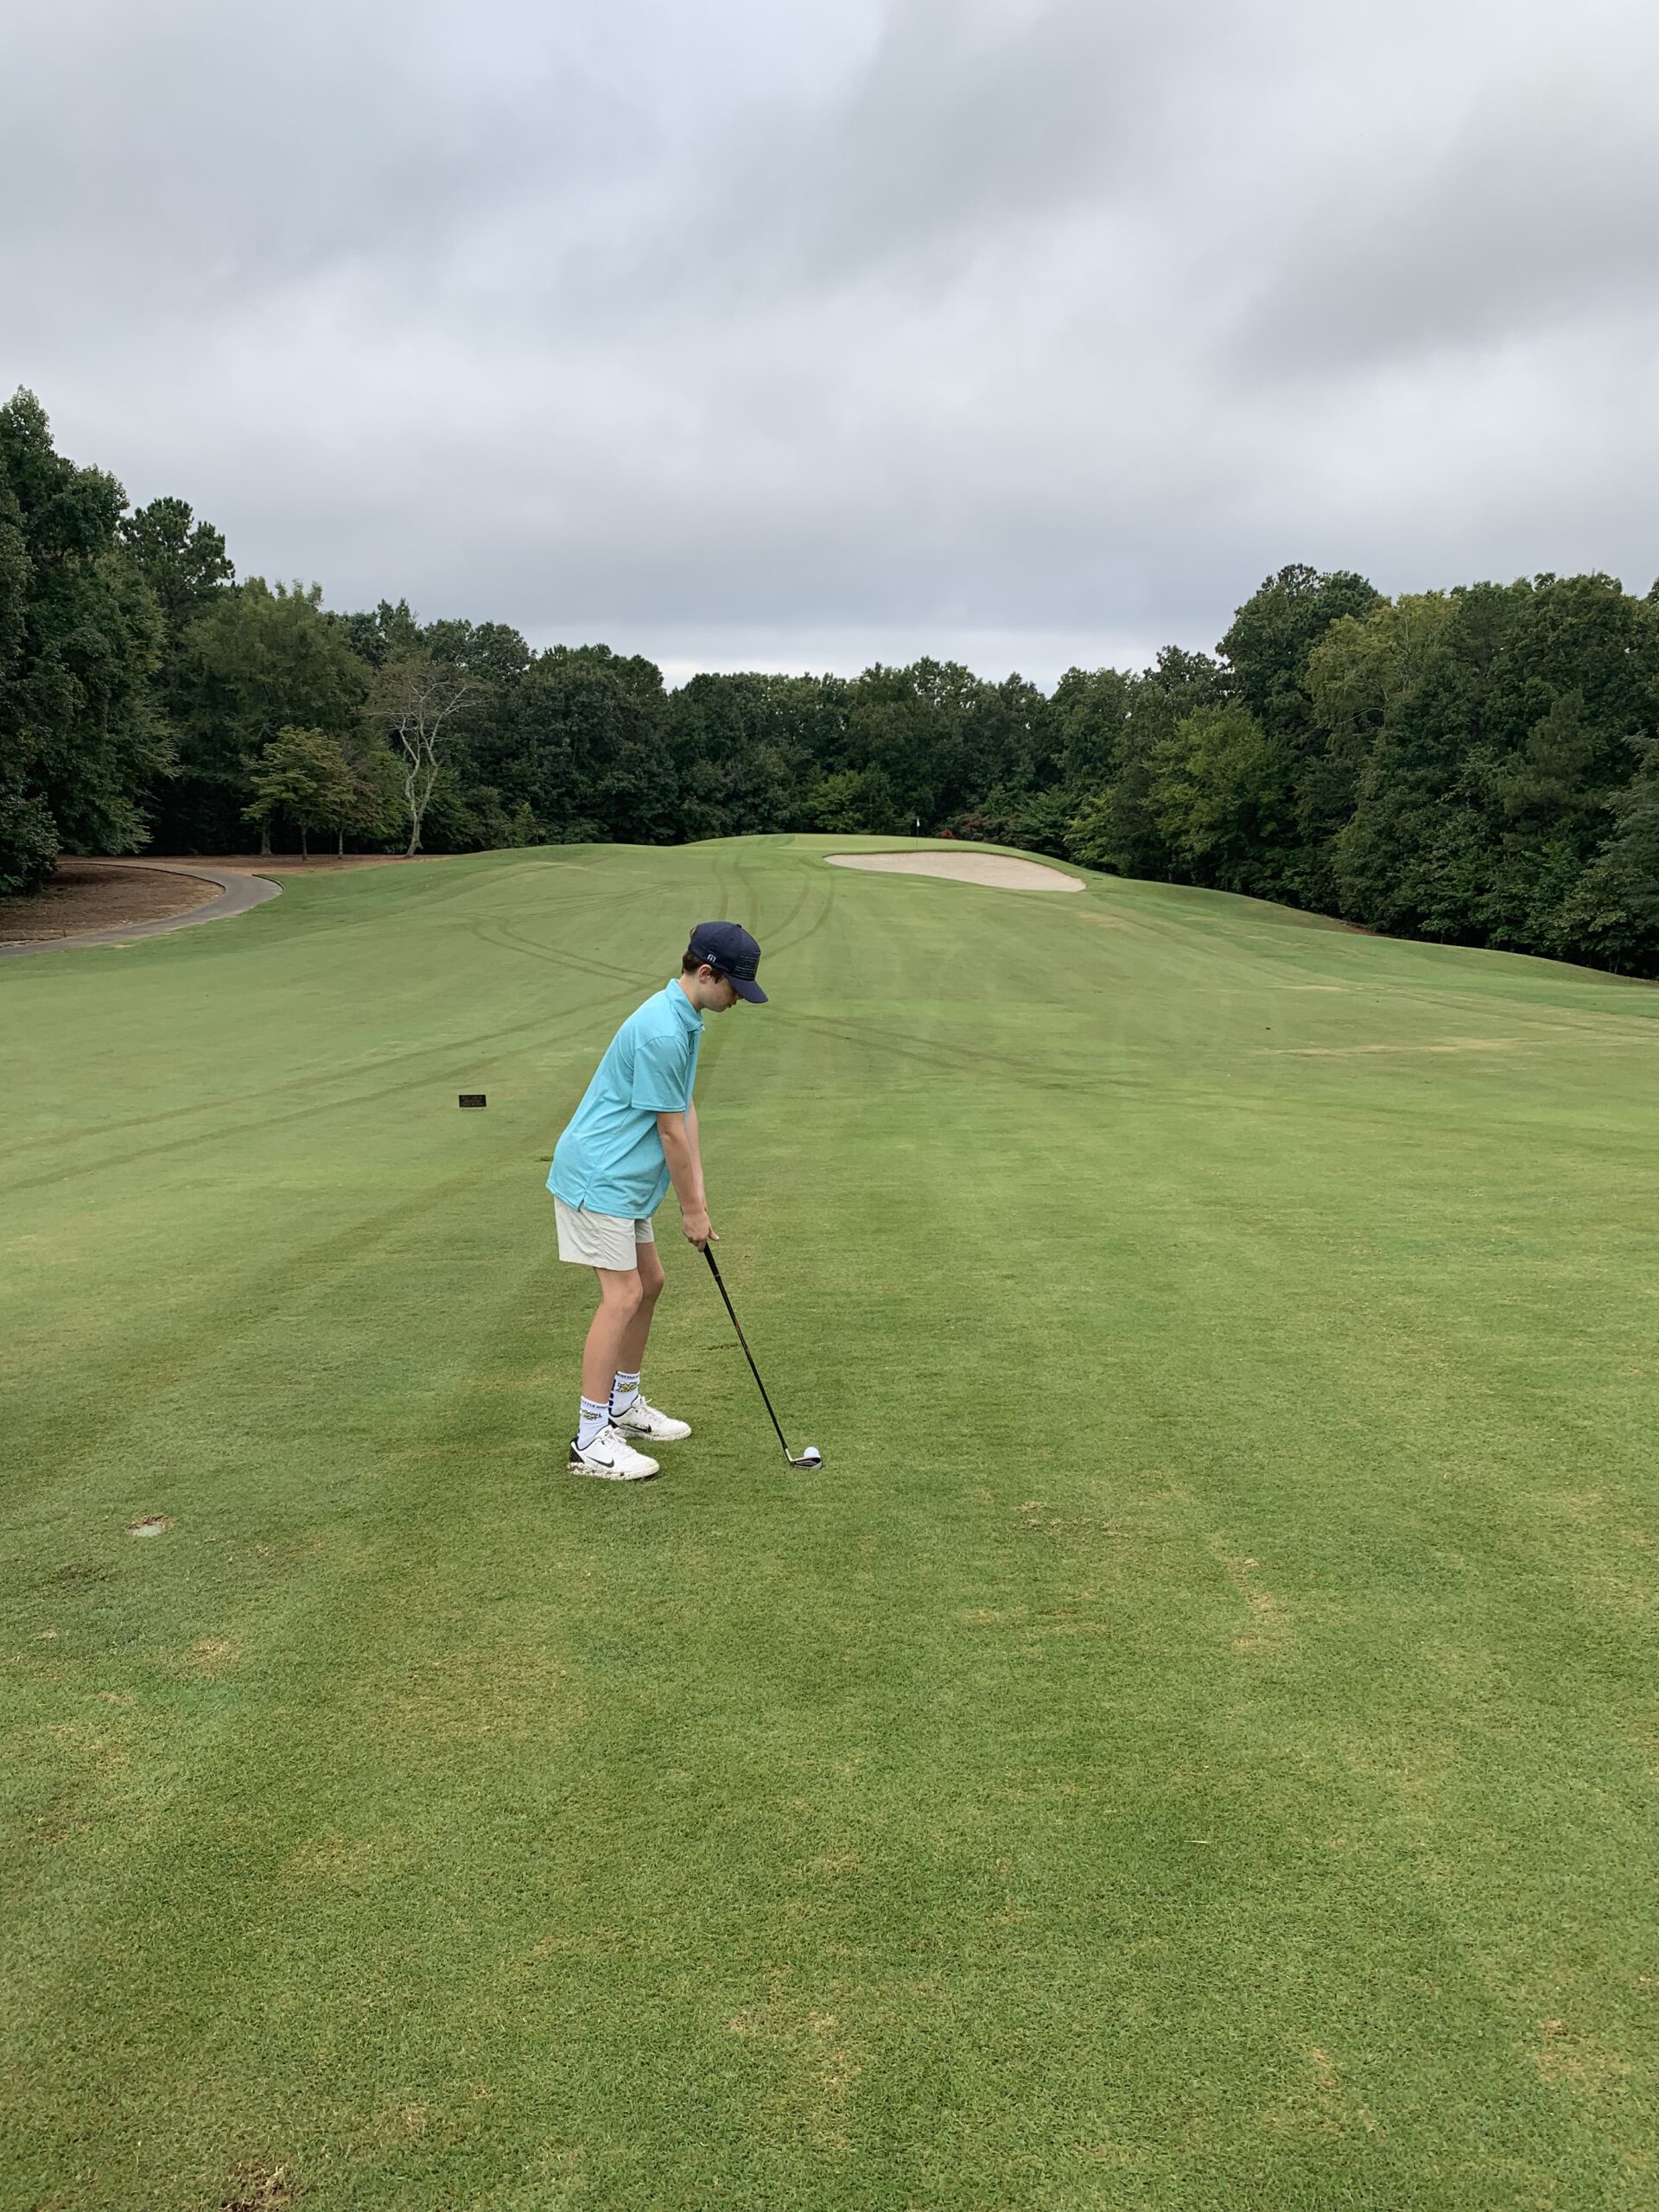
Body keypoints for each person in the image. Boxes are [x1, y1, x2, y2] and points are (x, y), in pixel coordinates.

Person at [547, 921, 767, 1479]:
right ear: (706, 973)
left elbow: (685, 1108)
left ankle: (623, 1404)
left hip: (624, 1180)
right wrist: (690, 1211)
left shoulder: (684, 1019)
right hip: (600, 1177)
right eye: (736, 986)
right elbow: (669, 1132)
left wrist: (699, 1197)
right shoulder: (663, 1031)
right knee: (623, 1295)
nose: (740, 998)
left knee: (651, 1281)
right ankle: (590, 1437)